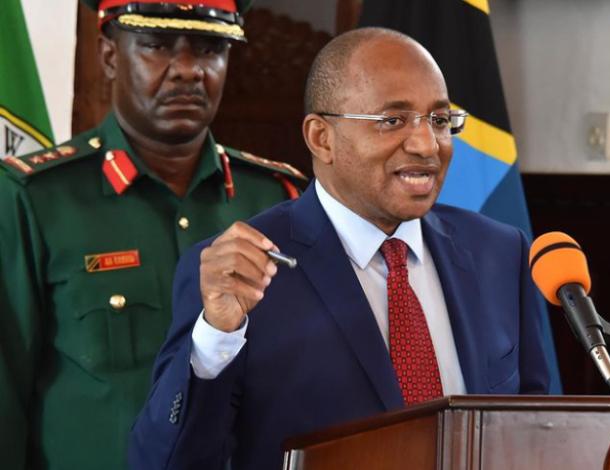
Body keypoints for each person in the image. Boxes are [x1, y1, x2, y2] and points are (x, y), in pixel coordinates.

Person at [129, 27, 549, 470]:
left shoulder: (499, 252)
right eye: (392, 120)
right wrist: (216, 337)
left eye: (440, 121)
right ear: (321, 138)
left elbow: (535, 434)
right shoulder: (242, 273)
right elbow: (164, 462)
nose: (427, 145)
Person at [0, 1, 305, 469]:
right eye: (157, 45)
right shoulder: (36, 199)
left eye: (209, 48)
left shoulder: (275, 198)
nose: (187, 70)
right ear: (109, 56)